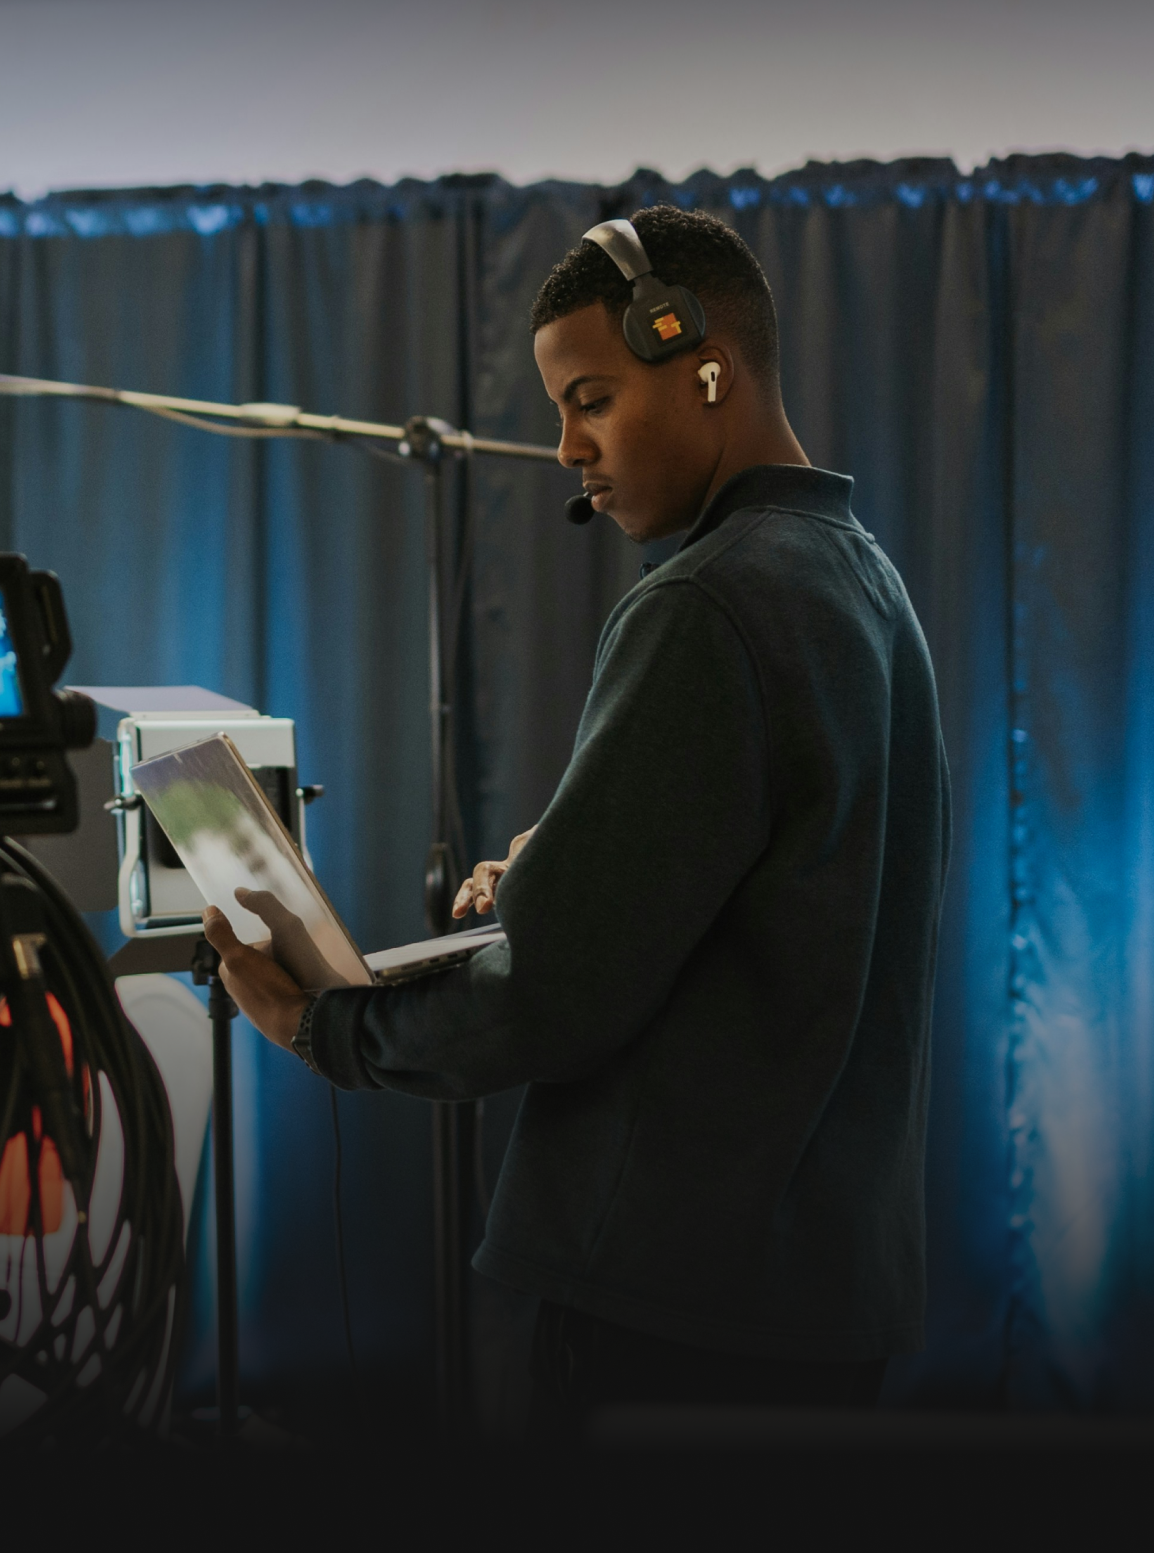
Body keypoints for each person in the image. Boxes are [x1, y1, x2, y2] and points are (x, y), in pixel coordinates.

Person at [204, 206, 950, 1436]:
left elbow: (553, 997)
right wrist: (566, 875)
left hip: (665, 1299)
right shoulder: (860, 576)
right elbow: (783, 897)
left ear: (702, 363)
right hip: (825, 1290)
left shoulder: (705, 604)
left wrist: (322, 1026)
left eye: (591, 401)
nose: (566, 450)